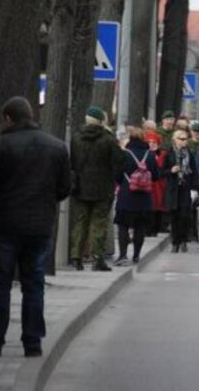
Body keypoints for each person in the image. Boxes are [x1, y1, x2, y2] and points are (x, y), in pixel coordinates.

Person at [0, 97, 71, 358]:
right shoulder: (57, 147)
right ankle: (32, 342)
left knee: (0, 284)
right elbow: (64, 188)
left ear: (8, 118)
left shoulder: (1, 146)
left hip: (4, 226)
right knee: (34, 285)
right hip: (40, 227)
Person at [68, 106, 123, 272]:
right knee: (99, 223)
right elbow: (119, 161)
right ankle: (97, 259)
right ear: (101, 121)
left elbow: (72, 161)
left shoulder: (76, 137)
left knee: (80, 222)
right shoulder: (108, 139)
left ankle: (76, 257)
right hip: (103, 187)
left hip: (80, 186)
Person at [114, 127, 160, 266]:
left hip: (126, 195)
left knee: (123, 225)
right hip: (144, 196)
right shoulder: (150, 155)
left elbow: (117, 175)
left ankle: (122, 255)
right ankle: (136, 256)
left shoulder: (124, 154)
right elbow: (156, 176)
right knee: (140, 227)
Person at [164, 130, 197, 253]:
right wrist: (171, 170)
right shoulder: (169, 153)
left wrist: (194, 188)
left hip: (185, 188)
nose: (184, 141)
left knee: (184, 216)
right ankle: (175, 242)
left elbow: (194, 170)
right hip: (173, 188)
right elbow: (162, 171)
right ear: (175, 140)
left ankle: (183, 239)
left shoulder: (189, 153)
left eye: (185, 139)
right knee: (174, 216)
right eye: (181, 139)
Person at [144, 131, 168, 237]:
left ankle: (156, 228)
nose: (152, 144)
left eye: (154, 142)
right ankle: (148, 228)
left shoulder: (163, 154)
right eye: (149, 142)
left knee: (158, 207)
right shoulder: (144, 154)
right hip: (148, 183)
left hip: (159, 184)